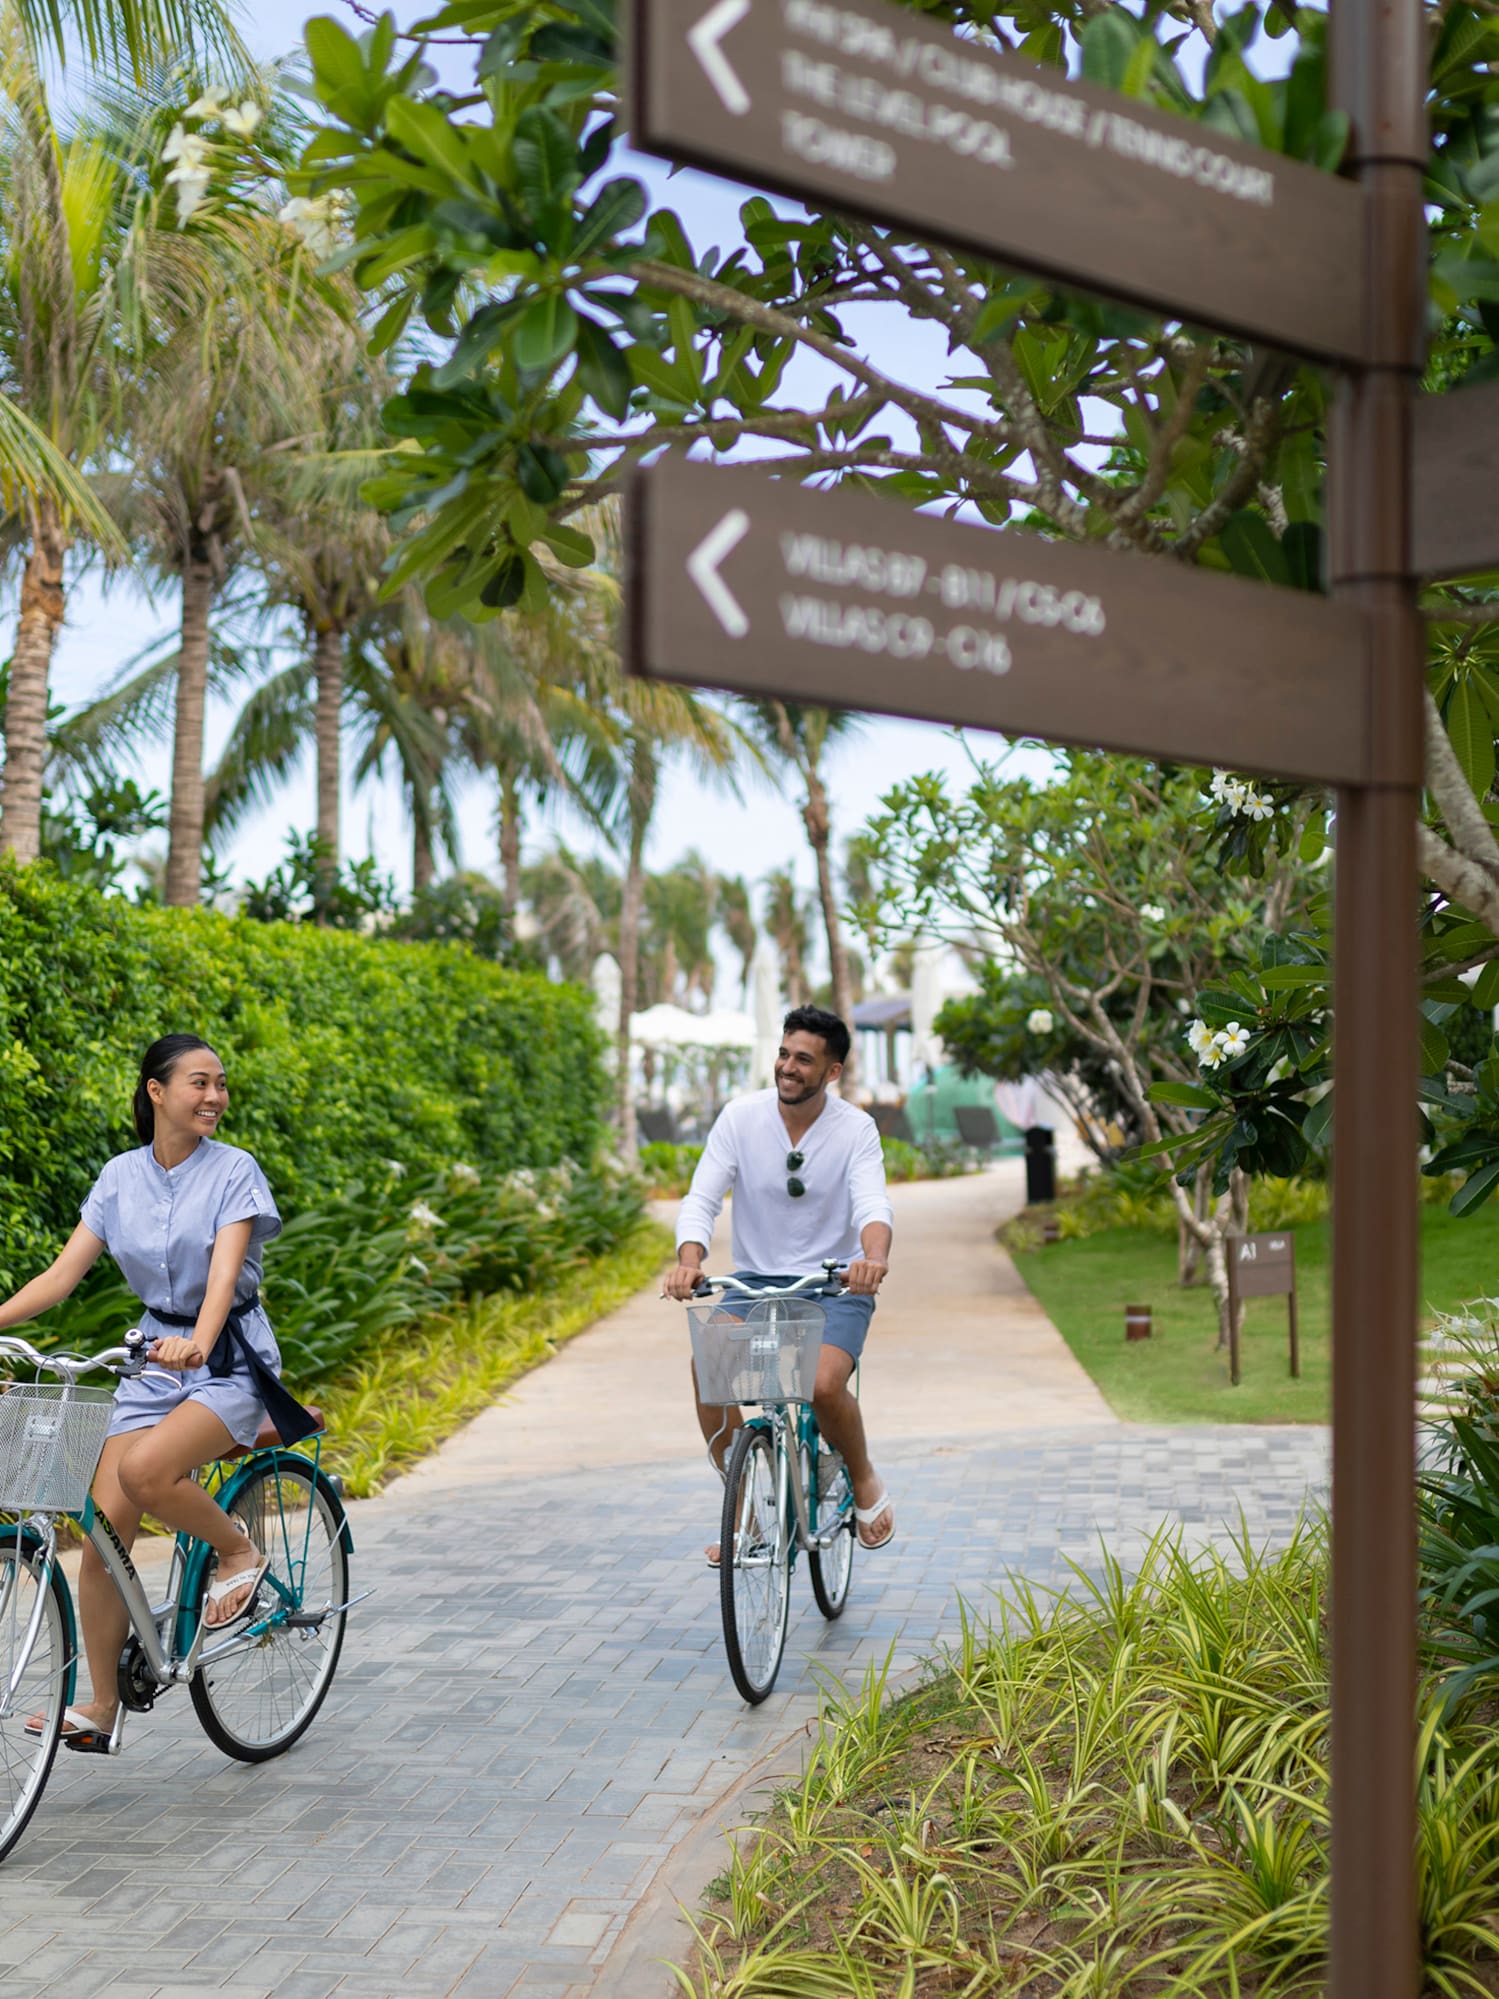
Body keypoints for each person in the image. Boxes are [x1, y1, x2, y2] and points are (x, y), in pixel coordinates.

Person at [0, 1034, 305, 1753]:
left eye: (221, 1084)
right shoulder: (119, 1176)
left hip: (227, 1360)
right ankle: (101, 1705)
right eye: (200, 1082)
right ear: (155, 1091)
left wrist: (199, 1339)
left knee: (145, 1472)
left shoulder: (235, 1171)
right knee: (104, 1530)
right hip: (151, 1363)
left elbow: (225, 1274)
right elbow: (61, 1275)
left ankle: (237, 1553)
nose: (215, 1096)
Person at [664, 1004, 896, 1560]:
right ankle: (744, 1510)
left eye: (804, 1060)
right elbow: (701, 1199)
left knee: (819, 1385)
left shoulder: (855, 1129)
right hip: (752, 1282)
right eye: (784, 1054)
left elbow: (873, 1203)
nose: (788, 1067)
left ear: (832, 1072)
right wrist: (689, 1260)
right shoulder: (740, 1118)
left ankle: (862, 1475)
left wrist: (873, 1260)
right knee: (709, 1370)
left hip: (835, 1282)